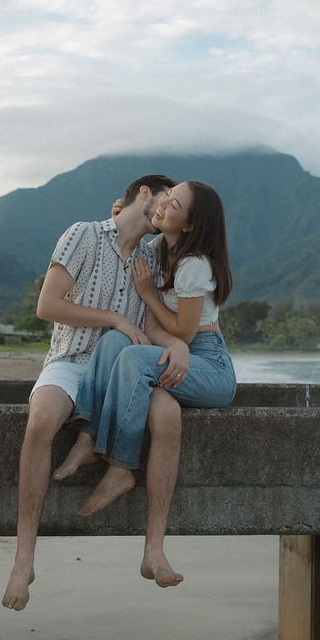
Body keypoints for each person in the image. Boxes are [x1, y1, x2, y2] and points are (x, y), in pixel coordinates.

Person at [1, 172, 188, 611]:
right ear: (145, 193)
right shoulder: (84, 234)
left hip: (123, 370)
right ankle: (22, 560)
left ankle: (154, 551)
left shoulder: (156, 256)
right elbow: (48, 305)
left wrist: (177, 345)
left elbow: (156, 321)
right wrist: (115, 319)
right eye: (167, 199)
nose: (169, 210)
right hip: (70, 361)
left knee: (169, 416)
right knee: (42, 420)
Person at [54, 180, 236, 588]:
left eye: (173, 205)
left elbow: (185, 336)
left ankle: (120, 466)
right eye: (164, 198)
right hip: (168, 353)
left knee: (132, 356)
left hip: (209, 366)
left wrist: (147, 294)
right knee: (116, 338)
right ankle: (87, 436)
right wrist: (121, 212)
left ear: (189, 225)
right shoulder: (160, 250)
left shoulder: (194, 265)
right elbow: (134, 224)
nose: (162, 206)